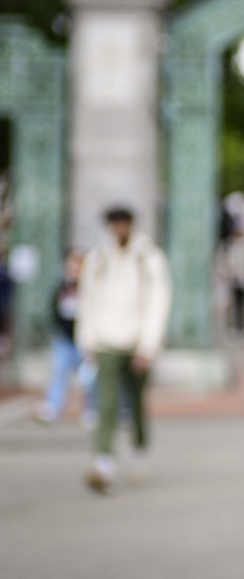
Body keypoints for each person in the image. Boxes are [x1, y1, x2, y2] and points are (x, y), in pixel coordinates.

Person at [76, 206, 171, 494]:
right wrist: (88, 340)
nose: (119, 229)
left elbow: (159, 301)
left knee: (137, 403)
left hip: (136, 342)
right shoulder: (98, 258)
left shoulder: (148, 257)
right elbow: (88, 300)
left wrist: (148, 345)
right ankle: (103, 461)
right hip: (107, 341)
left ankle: (139, 447)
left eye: (123, 224)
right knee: (106, 404)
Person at [34, 250, 98, 427]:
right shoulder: (62, 288)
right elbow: (54, 310)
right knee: (59, 374)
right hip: (64, 341)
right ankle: (52, 408)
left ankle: (91, 409)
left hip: (84, 341)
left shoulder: (90, 288)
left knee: (89, 378)